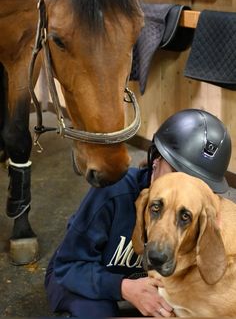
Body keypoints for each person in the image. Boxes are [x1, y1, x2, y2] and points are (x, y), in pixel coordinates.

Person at [45, 109, 231, 318]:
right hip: (76, 275)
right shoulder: (114, 192)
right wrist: (123, 288)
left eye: (196, 184)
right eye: (178, 173)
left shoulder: (200, 211)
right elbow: (68, 266)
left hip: (144, 287)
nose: (184, 186)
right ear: (156, 161)